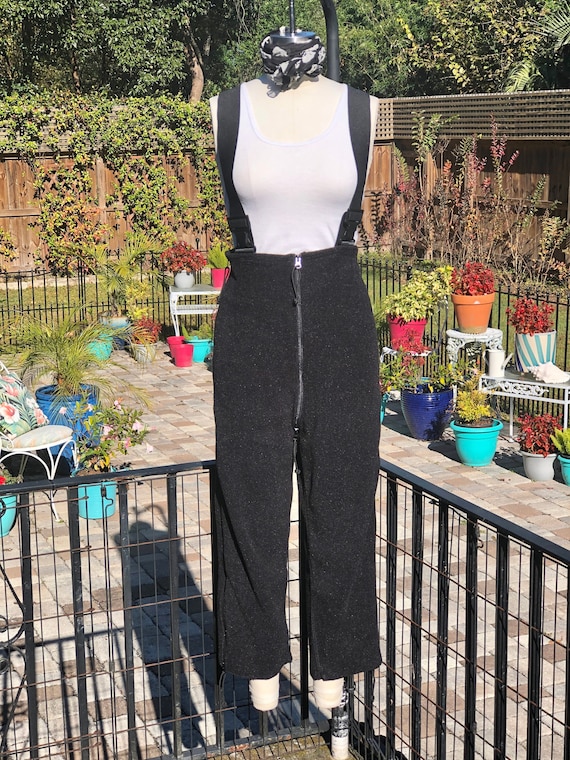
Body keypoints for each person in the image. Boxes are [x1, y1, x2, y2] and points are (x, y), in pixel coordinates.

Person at [210, 26, 381, 715]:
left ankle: (335, 659)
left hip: (341, 316)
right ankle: (257, 660)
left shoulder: (361, 109)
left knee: (344, 497)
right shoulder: (228, 110)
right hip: (251, 319)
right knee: (250, 499)